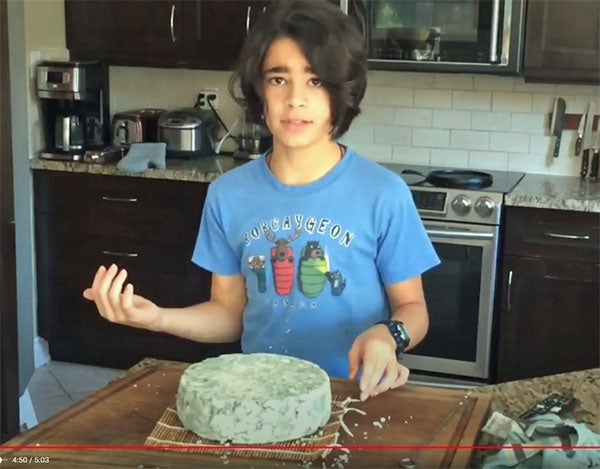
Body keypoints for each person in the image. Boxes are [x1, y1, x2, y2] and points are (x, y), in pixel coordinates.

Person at [83, 0, 439, 402]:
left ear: (342, 92)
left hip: (355, 395)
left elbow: (413, 308)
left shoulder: (384, 193)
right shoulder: (227, 194)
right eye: (278, 79)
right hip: (260, 394)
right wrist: (158, 319)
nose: (295, 99)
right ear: (259, 92)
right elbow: (228, 315)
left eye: (316, 81)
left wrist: (387, 335)